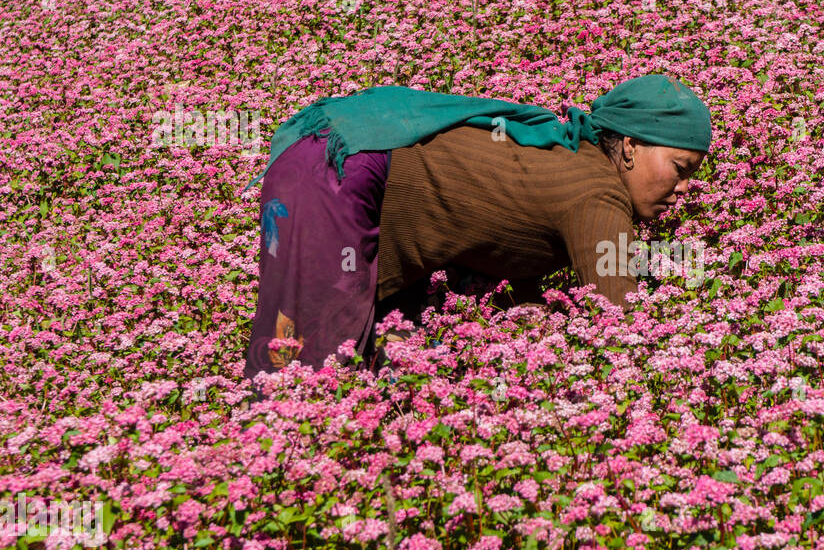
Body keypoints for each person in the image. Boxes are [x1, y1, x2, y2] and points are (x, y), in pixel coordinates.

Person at [241, 75, 711, 392]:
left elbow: (504, 241)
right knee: (304, 369)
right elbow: (621, 322)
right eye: (680, 167)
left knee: (387, 362)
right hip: (339, 166)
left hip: (344, 151)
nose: (685, 188)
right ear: (629, 147)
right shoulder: (598, 194)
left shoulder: (570, 158)